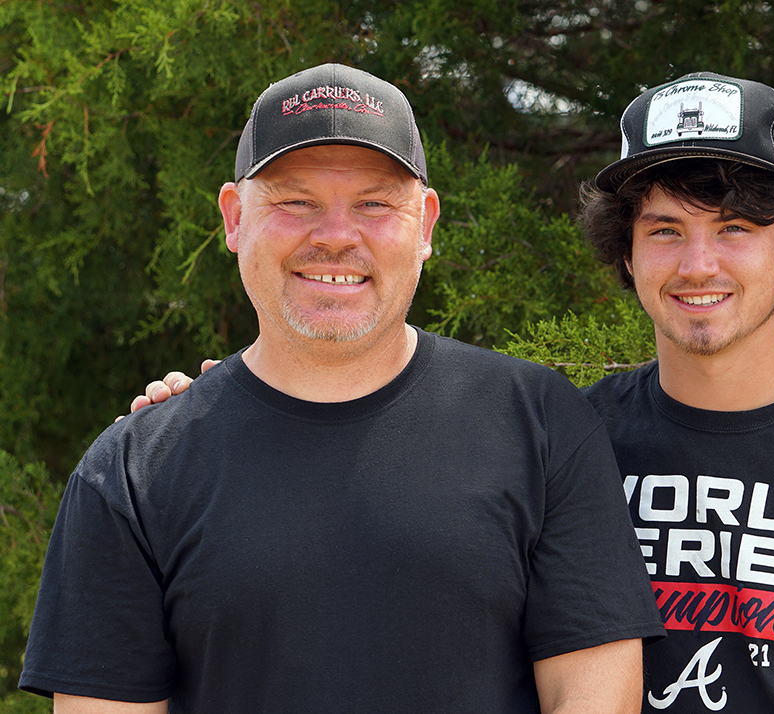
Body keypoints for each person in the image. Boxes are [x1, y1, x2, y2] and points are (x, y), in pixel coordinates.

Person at [125, 71, 774, 713]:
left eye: (735, 228)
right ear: (626, 251)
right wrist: (225, 419)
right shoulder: (558, 437)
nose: (698, 264)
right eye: (664, 230)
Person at [19, 63, 664, 714]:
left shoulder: (541, 424)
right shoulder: (130, 473)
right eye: (296, 202)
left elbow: (596, 697)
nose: (334, 236)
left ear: (426, 225)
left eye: (374, 203)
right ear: (235, 218)